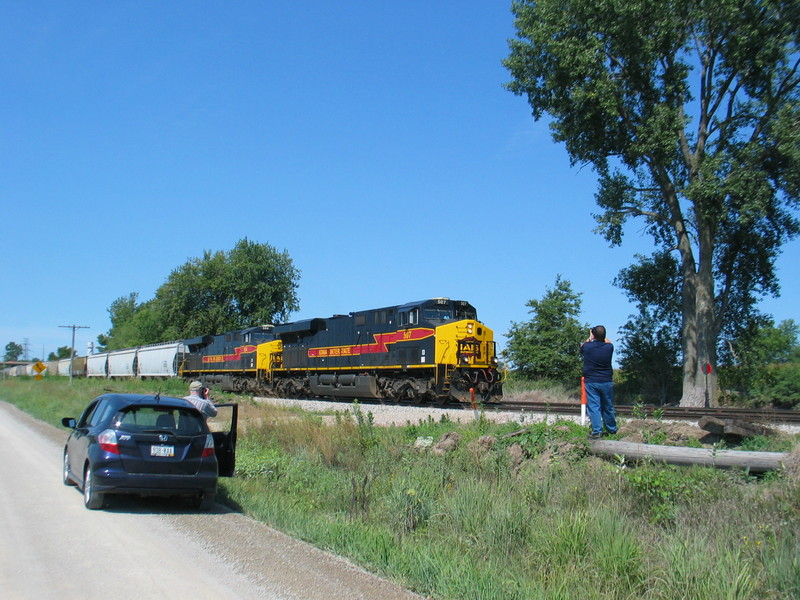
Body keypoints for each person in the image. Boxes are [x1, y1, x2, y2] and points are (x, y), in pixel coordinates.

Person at [580, 325, 617, 439]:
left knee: (594, 406)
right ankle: (612, 429)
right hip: (606, 380)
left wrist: (590, 336)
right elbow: (607, 341)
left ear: (593, 335)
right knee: (608, 405)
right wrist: (600, 336)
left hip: (591, 381)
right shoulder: (609, 347)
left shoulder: (587, 347)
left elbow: (583, 345)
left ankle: (597, 431)